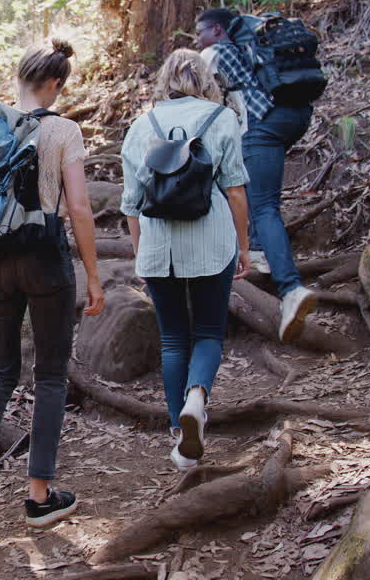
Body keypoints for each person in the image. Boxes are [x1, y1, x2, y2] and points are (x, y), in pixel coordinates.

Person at [0, 38, 105, 530]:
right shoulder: (64, 131)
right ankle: (38, 495)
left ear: (20, 79)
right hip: (44, 259)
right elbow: (77, 207)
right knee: (50, 374)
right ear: (55, 84)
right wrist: (93, 274)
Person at [120, 48, 252, 469]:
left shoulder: (142, 125)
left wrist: (142, 255)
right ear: (205, 79)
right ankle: (198, 397)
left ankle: (180, 438)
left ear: (165, 80)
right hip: (211, 242)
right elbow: (235, 190)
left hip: (159, 245)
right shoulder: (223, 118)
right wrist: (244, 246)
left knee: (173, 338)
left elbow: (131, 204)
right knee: (210, 332)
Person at [195, 8, 317, 343]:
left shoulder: (213, 52)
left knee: (264, 207)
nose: (197, 39)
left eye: (200, 31)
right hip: (293, 118)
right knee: (250, 190)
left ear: (217, 30)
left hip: (260, 125)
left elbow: (195, 99)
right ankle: (260, 253)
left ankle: (291, 289)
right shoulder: (252, 47)